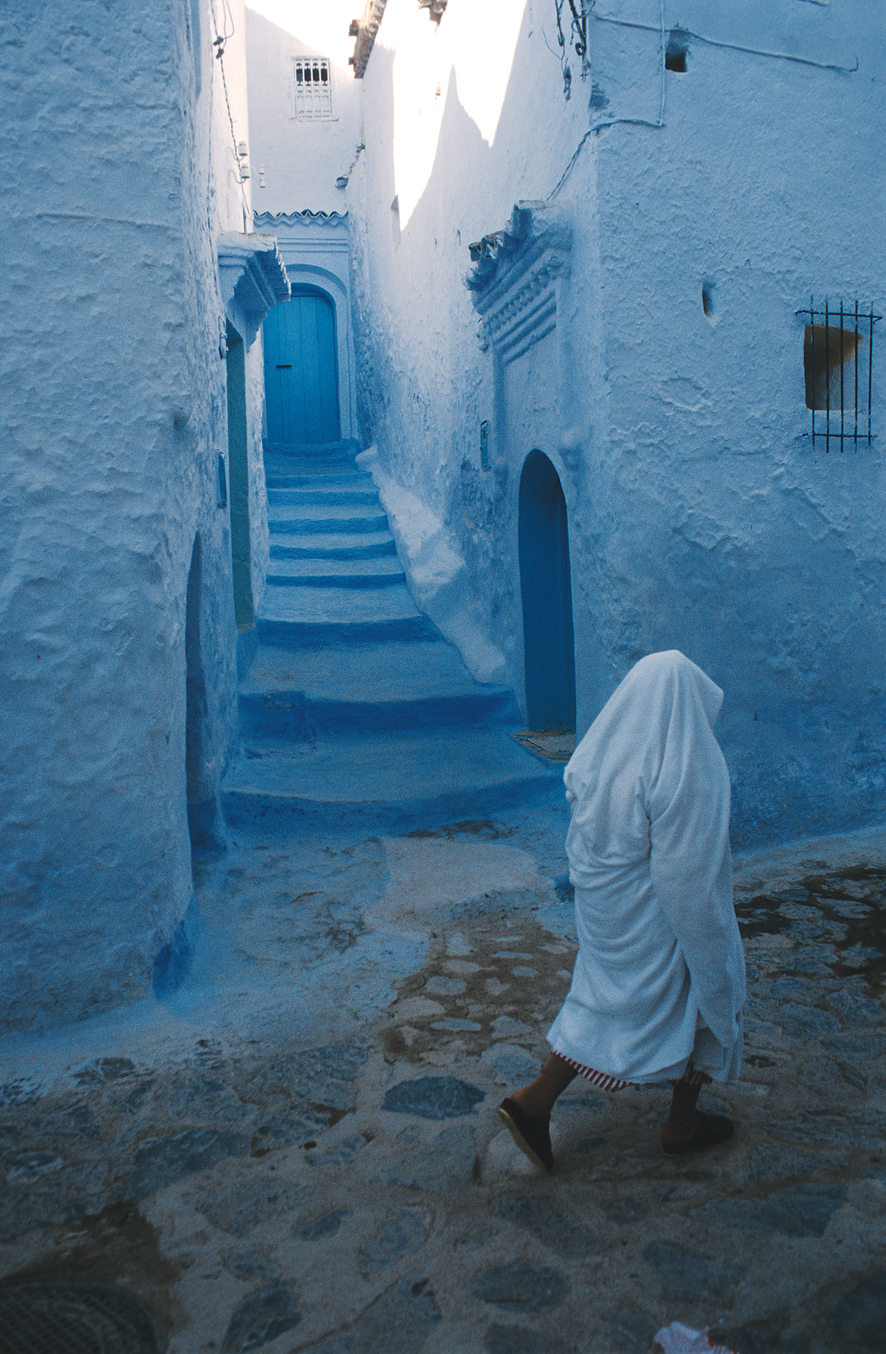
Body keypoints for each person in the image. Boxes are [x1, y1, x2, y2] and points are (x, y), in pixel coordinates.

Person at [498, 650, 746, 1171]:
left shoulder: (599, 753)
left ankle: (537, 1102)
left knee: (602, 1002)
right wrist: (710, 939)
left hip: (607, 913)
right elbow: (687, 875)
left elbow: (583, 834)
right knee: (700, 998)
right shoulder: (684, 764)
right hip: (658, 919)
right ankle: (680, 1123)